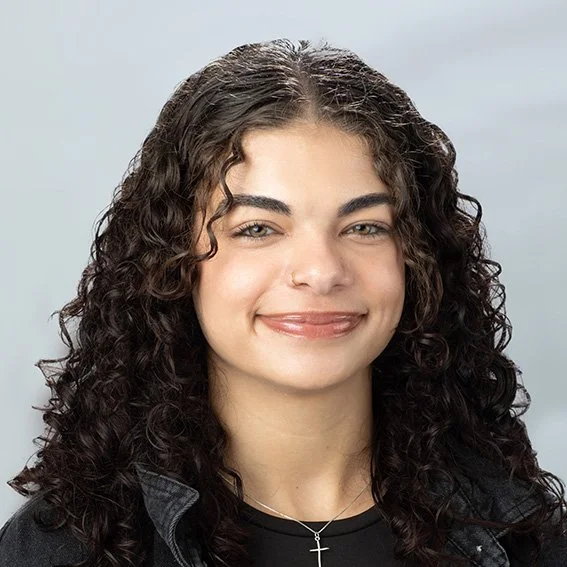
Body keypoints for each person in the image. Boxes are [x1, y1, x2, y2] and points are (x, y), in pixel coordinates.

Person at [0, 38, 566, 567]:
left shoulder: (523, 537)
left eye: (365, 226)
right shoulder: (62, 547)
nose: (320, 271)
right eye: (257, 229)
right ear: (171, 262)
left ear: (419, 259)